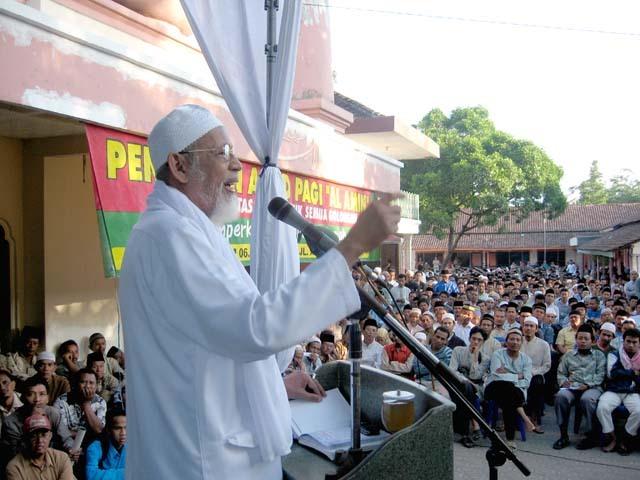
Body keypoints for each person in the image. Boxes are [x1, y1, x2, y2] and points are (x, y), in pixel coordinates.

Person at [118, 105, 401, 479]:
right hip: (200, 461)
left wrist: (277, 385)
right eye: (223, 154)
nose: (237, 166)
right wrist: (350, 247)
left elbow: (212, 348)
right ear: (179, 165)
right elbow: (253, 327)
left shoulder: (191, 231)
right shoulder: (169, 236)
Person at [553, 324, 606, 450]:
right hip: (572, 388)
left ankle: (589, 436)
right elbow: (561, 372)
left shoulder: (599, 356)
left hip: (592, 387)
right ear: (576, 339)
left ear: (592, 341)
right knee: (560, 397)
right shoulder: (569, 355)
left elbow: (601, 375)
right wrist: (564, 382)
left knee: (587, 400)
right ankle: (563, 435)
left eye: (586, 339)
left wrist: (587, 385)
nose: (582, 341)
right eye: (580, 338)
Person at [1, 376, 76, 463]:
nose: (37, 399)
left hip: (53, 462)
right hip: (25, 464)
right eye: (31, 394)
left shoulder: (53, 413)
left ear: (48, 398)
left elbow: (66, 438)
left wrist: (70, 448)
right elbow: (13, 454)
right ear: (23, 398)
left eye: (42, 394)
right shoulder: (11, 422)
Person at [484, 329, 535, 449]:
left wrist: (507, 374)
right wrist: (517, 375)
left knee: (509, 398)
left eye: (518, 340)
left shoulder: (526, 359)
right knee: (507, 388)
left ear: (521, 343)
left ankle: (511, 437)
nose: (514, 342)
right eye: (511, 339)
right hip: (494, 388)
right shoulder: (498, 354)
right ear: (506, 342)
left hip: (515, 392)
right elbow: (496, 376)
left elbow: (527, 382)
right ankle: (519, 425)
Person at [596, 328, 640, 455]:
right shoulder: (614, 354)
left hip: (632, 392)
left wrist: (624, 373)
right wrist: (633, 372)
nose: (631, 345)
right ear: (623, 341)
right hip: (614, 390)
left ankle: (625, 439)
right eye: (628, 341)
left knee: (639, 411)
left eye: (634, 342)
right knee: (602, 408)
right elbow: (612, 374)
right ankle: (613, 437)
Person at [450, 327, 489, 447]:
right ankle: (476, 425)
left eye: (479, 340)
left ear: (483, 342)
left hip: (477, 387)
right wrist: (467, 381)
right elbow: (452, 370)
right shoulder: (458, 350)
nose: (476, 342)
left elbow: (475, 375)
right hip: (458, 384)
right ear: (469, 338)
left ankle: (465, 433)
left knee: (468, 390)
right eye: (474, 338)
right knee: (466, 388)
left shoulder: (485, 358)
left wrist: (475, 358)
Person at [5, 414, 74, 480]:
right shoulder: (15, 467)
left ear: (50, 436)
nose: (40, 440)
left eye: (44, 435)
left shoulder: (62, 458)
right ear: (25, 439)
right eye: (33, 436)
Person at [53, 369, 106, 442]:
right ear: (76, 384)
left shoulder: (100, 401)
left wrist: (86, 403)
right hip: (67, 442)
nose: (87, 386)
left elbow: (99, 430)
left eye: (91, 383)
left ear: (96, 386)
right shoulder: (61, 401)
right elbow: (62, 432)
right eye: (83, 382)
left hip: (92, 442)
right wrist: (89, 434)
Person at [520, 317, 551, 433]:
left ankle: (535, 419)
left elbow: (547, 365)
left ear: (536, 328)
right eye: (526, 325)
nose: (528, 328)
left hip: (536, 374)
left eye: (531, 326)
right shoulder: (518, 341)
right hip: (519, 373)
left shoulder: (544, 345)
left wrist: (532, 373)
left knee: (537, 383)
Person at [86, 408, 127, 480]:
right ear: (108, 430)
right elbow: (91, 476)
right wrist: (128, 473)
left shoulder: (134, 447)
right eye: (117, 428)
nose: (123, 433)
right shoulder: (95, 447)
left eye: (126, 428)